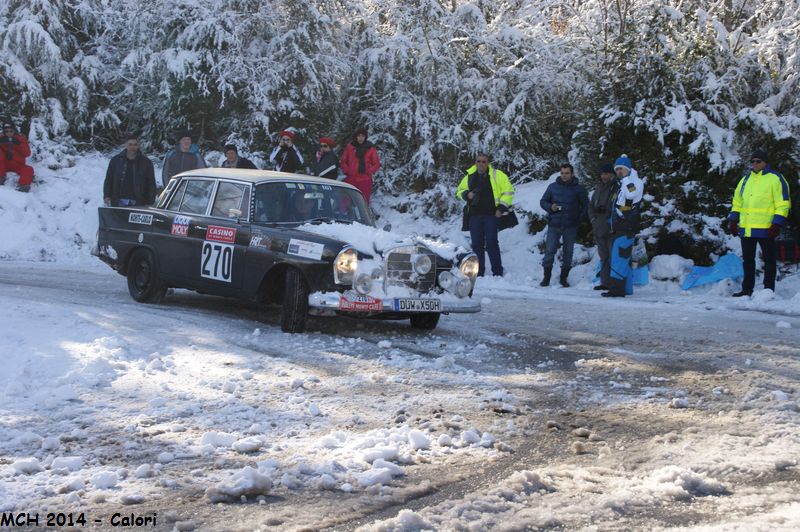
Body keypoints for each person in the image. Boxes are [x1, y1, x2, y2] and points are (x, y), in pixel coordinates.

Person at [727, 149, 791, 297]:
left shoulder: (776, 179)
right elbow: (737, 202)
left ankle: (768, 291)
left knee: (769, 261)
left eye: (758, 161)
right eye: (753, 161)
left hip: (766, 228)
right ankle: (747, 290)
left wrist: (777, 224)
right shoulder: (745, 180)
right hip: (747, 228)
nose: (755, 164)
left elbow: (783, 203)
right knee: (748, 261)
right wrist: (733, 220)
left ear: (765, 162)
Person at [456, 154, 515, 277]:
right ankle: (479, 272)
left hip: (491, 216)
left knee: (492, 243)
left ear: (488, 163)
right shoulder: (469, 176)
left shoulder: (497, 175)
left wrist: (501, 208)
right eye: (479, 161)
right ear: (475, 162)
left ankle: (497, 272)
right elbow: (459, 191)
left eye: (484, 161)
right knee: (476, 244)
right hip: (474, 216)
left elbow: (509, 191)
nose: (481, 164)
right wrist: (467, 195)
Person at [539, 163, 589, 287]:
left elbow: (586, 206)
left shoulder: (579, 189)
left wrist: (578, 218)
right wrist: (551, 207)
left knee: (568, 252)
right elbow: (543, 201)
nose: (564, 175)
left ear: (572, 174)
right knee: (549, 250)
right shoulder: (552, 187)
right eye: (562, 173)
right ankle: (546, 277)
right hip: (554, 224)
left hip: (570, 225)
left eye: (567, 173)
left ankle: (563, 278)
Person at [603, 154, 644, 298]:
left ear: (628, 168)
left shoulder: (635, 182)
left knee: (619, 259)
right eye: (617, 169)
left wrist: (626, 178)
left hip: (627, 226)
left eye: (621, 169)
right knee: (623, 259)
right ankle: (626, 289)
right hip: (619, 226)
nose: (619, 172)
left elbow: (631, 195)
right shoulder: (623, 184)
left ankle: (616, 290)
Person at [588, 163, 620, 290]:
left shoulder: (617, 188)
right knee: (604, 257)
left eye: (606, 173)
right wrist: (593, 219)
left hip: (611, 228)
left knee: (613, 257)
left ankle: (614, 283)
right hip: (599, 228)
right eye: (602, 174)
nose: (604, 176)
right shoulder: (598, 188)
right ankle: (605, 282)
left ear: (612, 174)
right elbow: (590, 206)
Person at [103, 135, 157, 207]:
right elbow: (109, 179)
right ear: (126, 145)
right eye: (130, 144)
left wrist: (150, 201)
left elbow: (151, 183)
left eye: (135, 144)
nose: (133, 147)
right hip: (119, 201)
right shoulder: (116, 161)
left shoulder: (146, 163)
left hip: (139, 202)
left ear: (138, 146)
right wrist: (107, 196)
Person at [340, 127, 380, 204]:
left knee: (363, 201)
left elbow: (376, 163)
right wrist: (348, 171)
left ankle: (362, 216)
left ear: (365, 137)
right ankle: (344, 215)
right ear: (356, 137)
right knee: (345, 200)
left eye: (362, 136)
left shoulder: (370, 148)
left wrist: (369, 171)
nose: (360, 138)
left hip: (365, 179)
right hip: (351, 178)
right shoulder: (350, 147)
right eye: (359, 136)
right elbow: (343, 161)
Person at [0, 120, 34, 192]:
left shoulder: (21, 139)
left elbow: (27, 154)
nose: (9, 133)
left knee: (29, 169)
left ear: (14, 130)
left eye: (11, 131)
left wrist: (19, 144)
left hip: (18, 164)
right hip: (3, 165)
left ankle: (23, 186)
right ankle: (1, 177)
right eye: (6, 131)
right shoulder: (2, 138)